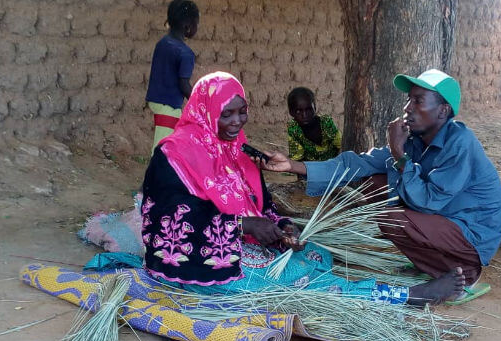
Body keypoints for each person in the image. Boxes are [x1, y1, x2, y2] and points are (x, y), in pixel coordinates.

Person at [141, 71, 459, 306]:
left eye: (242, 111)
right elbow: (166, 223)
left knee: (315, 256)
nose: (238, 122)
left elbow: (261, 206)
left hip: (235, 242)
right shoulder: (173, 156)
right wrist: (243, 226)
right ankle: (406, 296)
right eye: (227, 114)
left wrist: (283, 226)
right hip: (194, 260)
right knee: (306, 281)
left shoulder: (236, 151)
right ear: (207, 112)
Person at [257, 69, 501, 304]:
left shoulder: (460, 143)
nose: (408, 108)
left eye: (419, 101)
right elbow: (358, 163)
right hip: (443, 218)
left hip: (473, 233)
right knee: (371, 180)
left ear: (443, 110)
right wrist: (292, 166)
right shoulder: (416, 139)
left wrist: (398, 153)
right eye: (408, 100)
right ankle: (431, 263)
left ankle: (465, 276)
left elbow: (428, 201)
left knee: (391, 218)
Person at [145, 0, 200, 152]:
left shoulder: (162, 43)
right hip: (168, 106)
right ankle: (156, 173)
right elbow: (184, 84)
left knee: (169, 142)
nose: (198, 28)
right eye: (197, 23)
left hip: (156, 100)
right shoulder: (185, 53)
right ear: (187, 26)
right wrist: (199, 102)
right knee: (162, 148)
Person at [287, 87, 342, 161]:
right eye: (298, 111)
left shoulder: (326, 123)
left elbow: (341, 145)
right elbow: (297, 158)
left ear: (315, 108)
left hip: (333, 164)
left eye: (309, 109)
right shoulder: (294, 129)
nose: (304, 115)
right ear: (291, 112)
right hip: (310, 168)